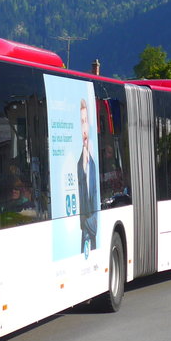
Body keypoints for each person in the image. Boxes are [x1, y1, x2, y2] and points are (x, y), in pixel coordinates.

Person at [76, 99, 99, 257]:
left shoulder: (93, 163)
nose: (84, 127)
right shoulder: (79, 163)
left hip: (92, 229)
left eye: (86, 121)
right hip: (84, 230)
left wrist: (89, 225)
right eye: (81, 121)